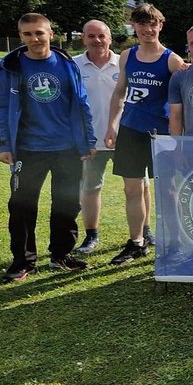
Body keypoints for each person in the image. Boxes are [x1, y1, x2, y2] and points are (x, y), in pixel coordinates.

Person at [0, 13, 97, 282]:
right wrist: (5, 144)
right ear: (20, 37)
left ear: (51, 34)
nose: (34, 39)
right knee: (22, 206)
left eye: (39, 33)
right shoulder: (11, 67)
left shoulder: (66, 65)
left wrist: (87, 141)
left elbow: (82, 105)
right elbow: (3, 109)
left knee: (66, 204)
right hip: (28, 149)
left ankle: (60, 255)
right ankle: (23, 261)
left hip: (67, 148)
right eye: (28, 34)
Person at [105, 3, 187, 265]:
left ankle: (175, 243)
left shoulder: (171, 59)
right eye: (142, 24)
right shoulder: (128, 55)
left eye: (153, 24)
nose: (147, 29)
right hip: (130, 129)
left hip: (160, 134)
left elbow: (191, 86)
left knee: (168, 190)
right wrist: (112, 125)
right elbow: (120, 92)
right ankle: (137, 242)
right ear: (135, 27)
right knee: (132, 188)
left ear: (160, 26)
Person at [73, 20, 125, 254]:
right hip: (91, 140)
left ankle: (144, 231)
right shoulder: (74, 66)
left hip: (125, 137)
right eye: (91, 36)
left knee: (138, 187)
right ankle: (91, 235)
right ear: (83, 38)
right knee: (90, 188)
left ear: (110, 39)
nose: (97, 40)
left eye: (101, 36)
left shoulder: (123, 65)